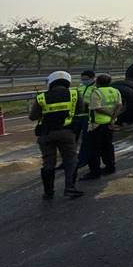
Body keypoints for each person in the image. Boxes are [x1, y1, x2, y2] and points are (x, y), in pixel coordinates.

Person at [29, 71, 84, 199]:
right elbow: (80, 110)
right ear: (68, 82)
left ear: (51, 82)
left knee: (48, 163)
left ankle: (48, 192)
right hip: (67, 133)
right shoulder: (74, 94)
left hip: (46, 134)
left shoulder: (41, 97)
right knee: (70, 160)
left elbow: (33, 117)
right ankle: (70, 188)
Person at [81, 73, 122, 180]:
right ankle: (110, 167)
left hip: (96, 125)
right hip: (109, 124)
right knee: (107, 147)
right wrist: (113, 117)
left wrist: (109, 113)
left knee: (93, 149)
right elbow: (119, 105)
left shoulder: (97, 92)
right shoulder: (115, 91)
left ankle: (95, 172)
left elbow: (96, 108)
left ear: (98, 82)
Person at [73, 69, 96, 173]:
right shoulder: (80, 87)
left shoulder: (96, 88)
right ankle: (69, 160)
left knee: (86, 140)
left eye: (85, 79)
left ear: (92, 78)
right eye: (82, 79)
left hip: (88, 116)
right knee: (73, 139)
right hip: (77, 116)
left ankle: (82, 160)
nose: (83, 81)